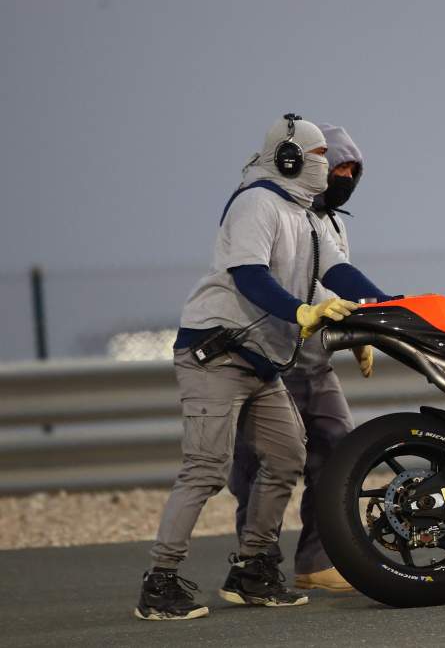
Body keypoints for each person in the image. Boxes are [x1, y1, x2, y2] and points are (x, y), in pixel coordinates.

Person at [135, 114, 381, 620]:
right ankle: (158, 583)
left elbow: (338, 271)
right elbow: (248, 274)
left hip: (262, 359)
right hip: (217, 353)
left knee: (288, 456)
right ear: (289, 159)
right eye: (319, 158)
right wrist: (299, 311)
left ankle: (252, 570)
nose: (328, 169)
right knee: (205, 469)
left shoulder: (306, 216)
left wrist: (391, 309)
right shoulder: (256, 203)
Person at [229, 122, 388, 593]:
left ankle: (317, 561)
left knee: (338, 453)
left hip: (314, 359)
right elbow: (254, 276)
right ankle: (256, 563)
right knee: (259, 467)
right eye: (338, 166)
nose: (345, 176)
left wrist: (374, 318)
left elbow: (338, 276)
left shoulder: (330, 222)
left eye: (353, 169)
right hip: (263, 359)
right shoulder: (270, 208)